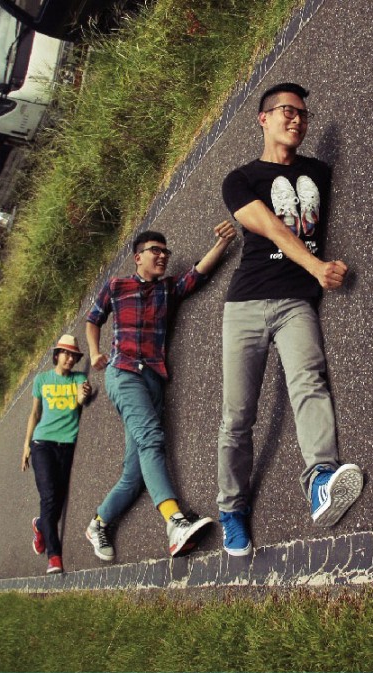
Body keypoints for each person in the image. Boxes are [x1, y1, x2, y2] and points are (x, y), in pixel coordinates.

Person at [217, 82, 364, 556]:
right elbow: (271, 227)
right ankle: (231, 508)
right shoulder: (240, 179)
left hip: (297, 303)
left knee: (309, 383)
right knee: (238, 416)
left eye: (302, 114)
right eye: (287, 110)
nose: (297, 119)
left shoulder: (319, 171)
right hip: (246, 305)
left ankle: (320, 480)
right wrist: (317, 267)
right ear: (263, 119)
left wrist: (324, 268)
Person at [85, 221, 236, 561]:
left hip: (153, 379)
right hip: (124, 374)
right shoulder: (117, 286)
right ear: (138, 257)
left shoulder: (168, 289)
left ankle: (99, 523)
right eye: (156, 251)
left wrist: (221, 244)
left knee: (135, 473)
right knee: (152, 440)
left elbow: (196, 275)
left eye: (166, 252)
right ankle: (175, 522)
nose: (163, 256)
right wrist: (94, 353)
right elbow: (93, 319)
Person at [22, 334, 92, 574]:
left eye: (74, 356)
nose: (70, 359)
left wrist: (84, 394)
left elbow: (80, 399)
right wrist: (26, 445)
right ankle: (54, 556)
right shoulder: (41, 380)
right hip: (42, 443)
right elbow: (34, 414)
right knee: (49, 496)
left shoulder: (79, 378)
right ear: (57, 355)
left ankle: (40, 524)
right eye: (66, 353)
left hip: (67, 444)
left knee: (57, 502)